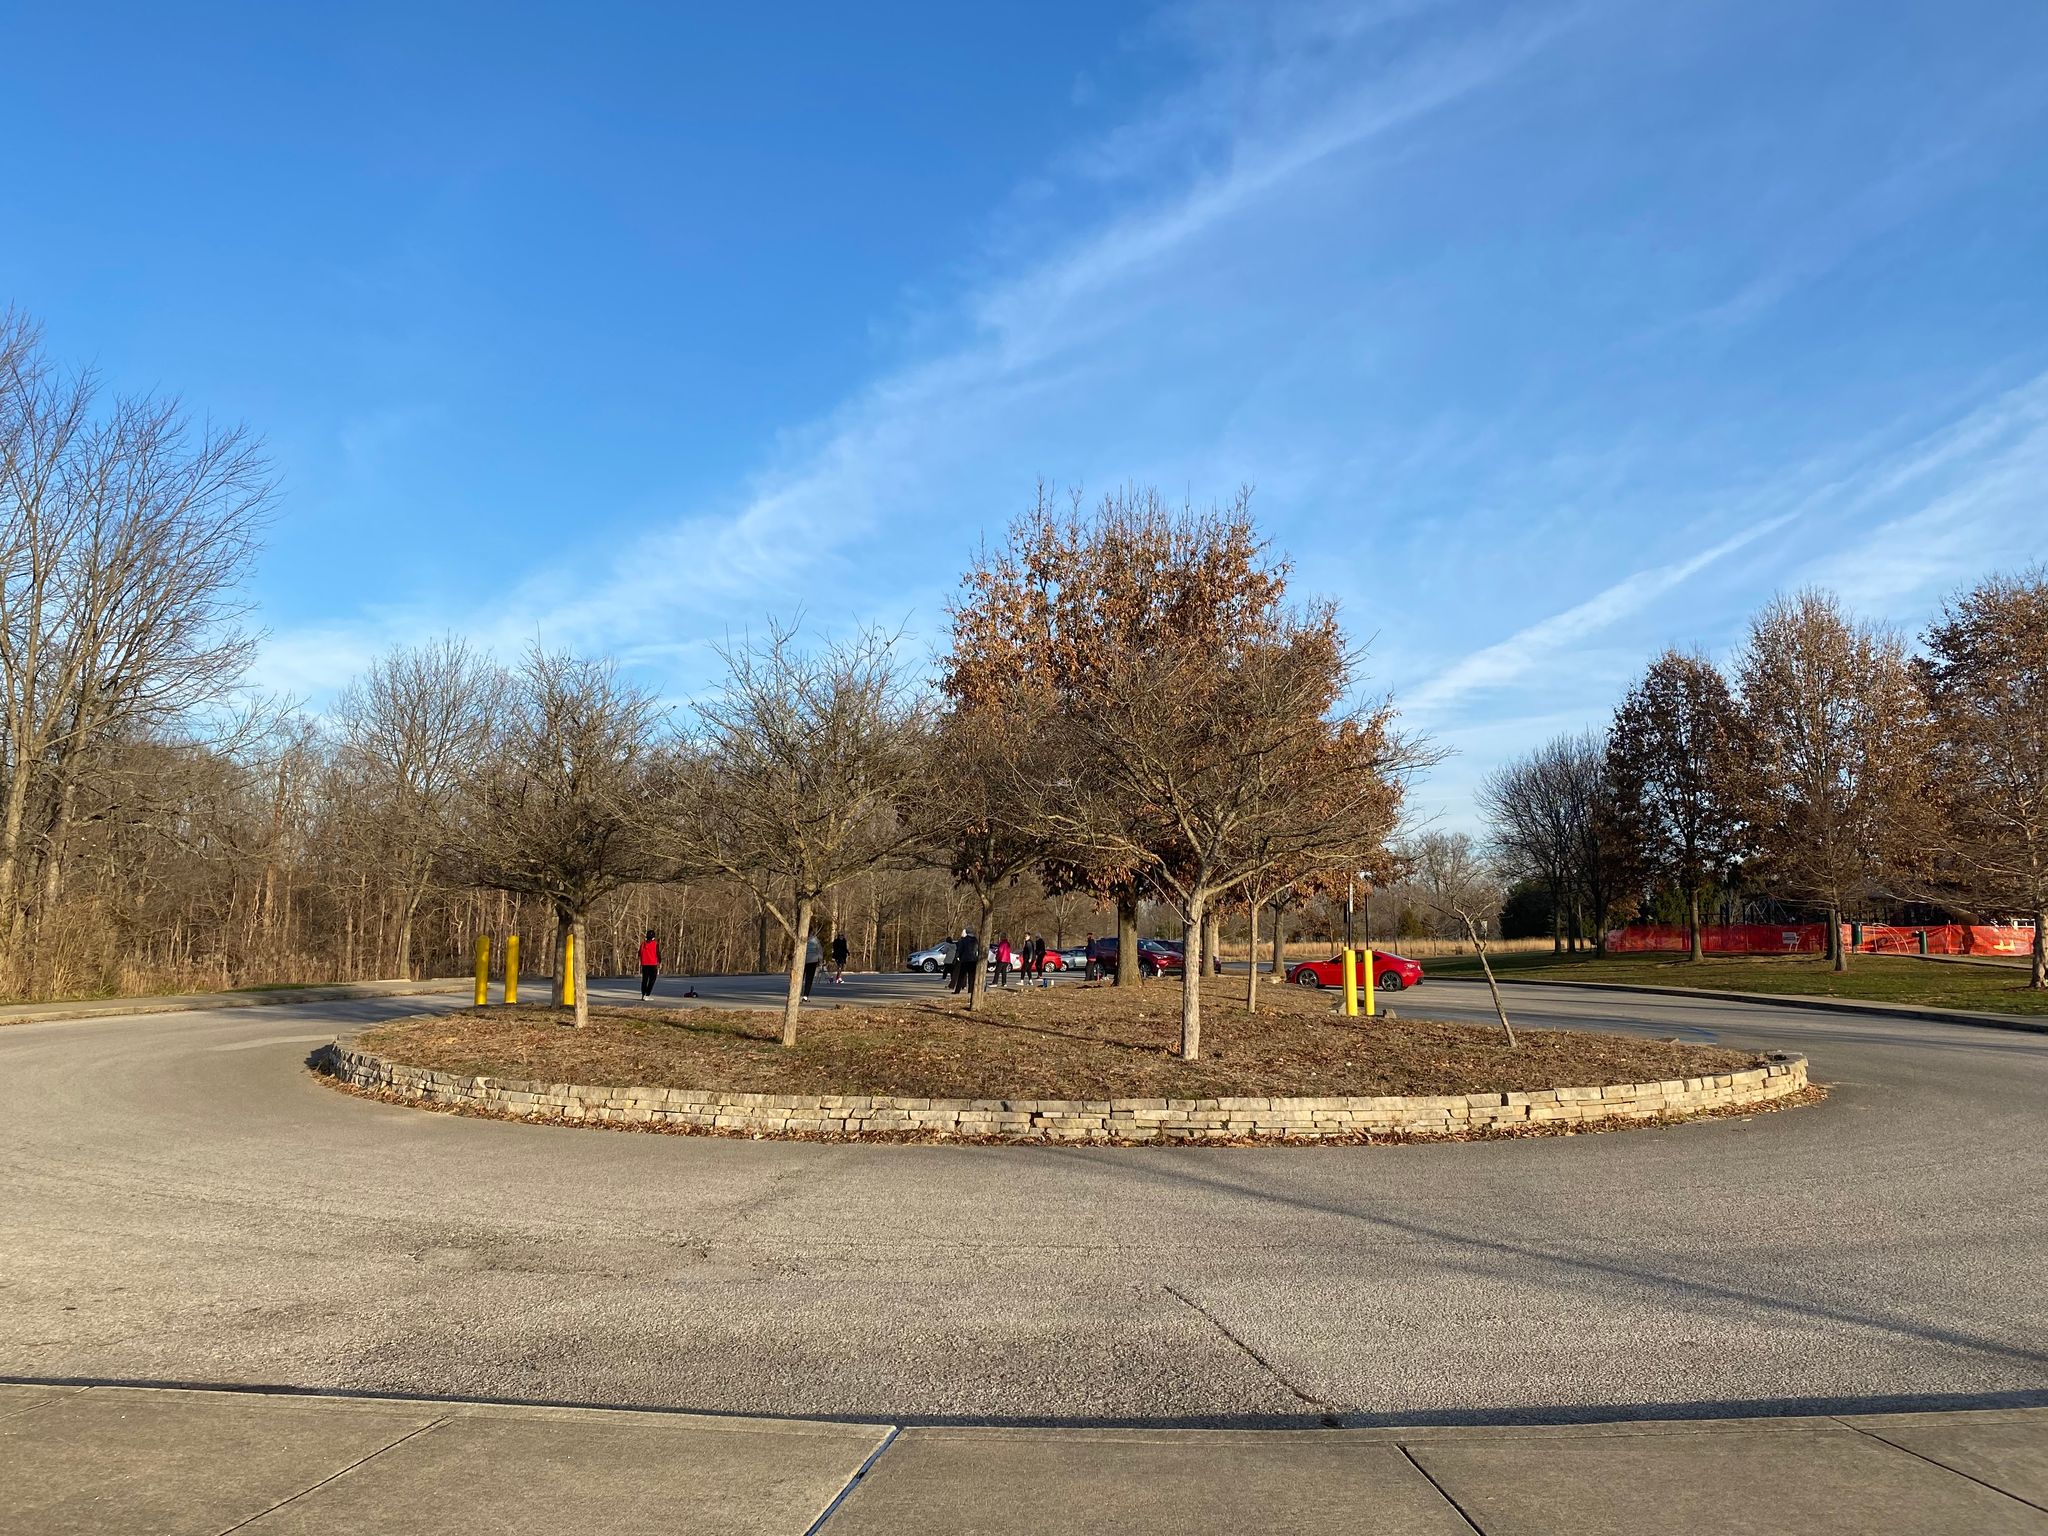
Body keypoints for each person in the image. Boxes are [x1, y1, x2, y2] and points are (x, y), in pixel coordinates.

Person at [951, 929, 978, 994]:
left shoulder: (964, 940)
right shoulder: (975, 940)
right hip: (973, 960)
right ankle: (970, 990)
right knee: (971, 977)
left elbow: (960, 949)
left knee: (961, 976)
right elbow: (977, 949)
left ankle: (957, 991)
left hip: (965, 959)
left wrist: (959, 956)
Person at [639, 930, 660, 999]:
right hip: (652, 964)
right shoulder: (655, 944)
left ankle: (643, 994)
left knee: (644, 980)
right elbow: (658, 953)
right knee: (652, 980)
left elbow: (639, 953)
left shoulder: (643, 944)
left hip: (644, 964)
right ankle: (647, 995)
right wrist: (659, 961)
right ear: (653, 937)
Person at [802, 931, 823, 997]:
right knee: (809, 979)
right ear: (811, 932)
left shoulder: (801, 938)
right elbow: (819, 950)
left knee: (801, 977)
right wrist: (820, 961)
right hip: (812, 961)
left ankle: (797, 992)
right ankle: (805, 995)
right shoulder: (815, 940)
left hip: (802, 960)